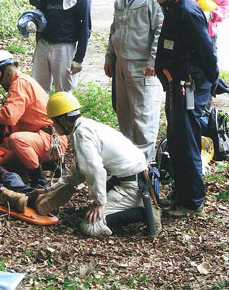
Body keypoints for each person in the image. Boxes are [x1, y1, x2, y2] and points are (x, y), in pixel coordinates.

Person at [143, 0, 219, 217]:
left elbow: (208, 53)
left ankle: (192, 201)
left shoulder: (187, 10)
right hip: (178, 85)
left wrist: (207, 84)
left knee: (186, 142)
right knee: (176, 141)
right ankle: (183, 191)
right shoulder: (173, 7)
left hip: (190, 87)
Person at [31, 92, 161, 237]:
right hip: (135, 179)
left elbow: (95, 170)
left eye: (54, 122)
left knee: (90, 226)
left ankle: (144, 212)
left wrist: (100, 202)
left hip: (133, 187)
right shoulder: (85, 126)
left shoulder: (81, 135)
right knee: (89, 213)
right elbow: (80, 170)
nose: (53, 126)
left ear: (63, 120)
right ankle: (134, 205)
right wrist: (51, 188)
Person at [0, 50, 68, 188]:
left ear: (0, 73)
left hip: (50, 140)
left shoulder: (19, 84)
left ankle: (39, 182)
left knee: (16, 139)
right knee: (3, 168)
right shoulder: (23, 81)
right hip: (42, 139)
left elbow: (9, 117)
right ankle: (50, 164)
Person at [104, 0, 164, 161]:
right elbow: (115, 30)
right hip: (122, 66)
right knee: (125, 117)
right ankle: (128, 165)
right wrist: (109, 57)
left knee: (143, 119)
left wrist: (153, 61)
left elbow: (159, 30)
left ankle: (144, 170)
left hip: (143, 69)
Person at [34, 0, 92, 93]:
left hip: (65, 47)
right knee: (39, 89)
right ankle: (42, 115)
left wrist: (79, 59)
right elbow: (40, 16)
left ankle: (65, 115)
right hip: (45, 44)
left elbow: (85, 29)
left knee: (64, 91)